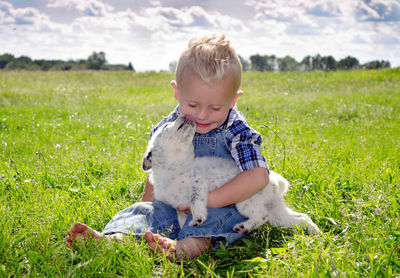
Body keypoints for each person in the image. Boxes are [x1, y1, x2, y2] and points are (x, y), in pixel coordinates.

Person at [66, 34, 270, 261]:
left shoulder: (237, 131)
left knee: (220, 216)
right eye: (192, 104)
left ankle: (185, 248)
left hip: (221, 201)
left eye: (215, 108)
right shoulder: (170, 127)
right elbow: (157, 171)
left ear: (233, 100)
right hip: (176, 201)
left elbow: (258, 176)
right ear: (177, 92)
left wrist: (209, 199)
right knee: (148, 212)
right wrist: (149, 206)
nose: (202, 115)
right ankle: (115, 239)